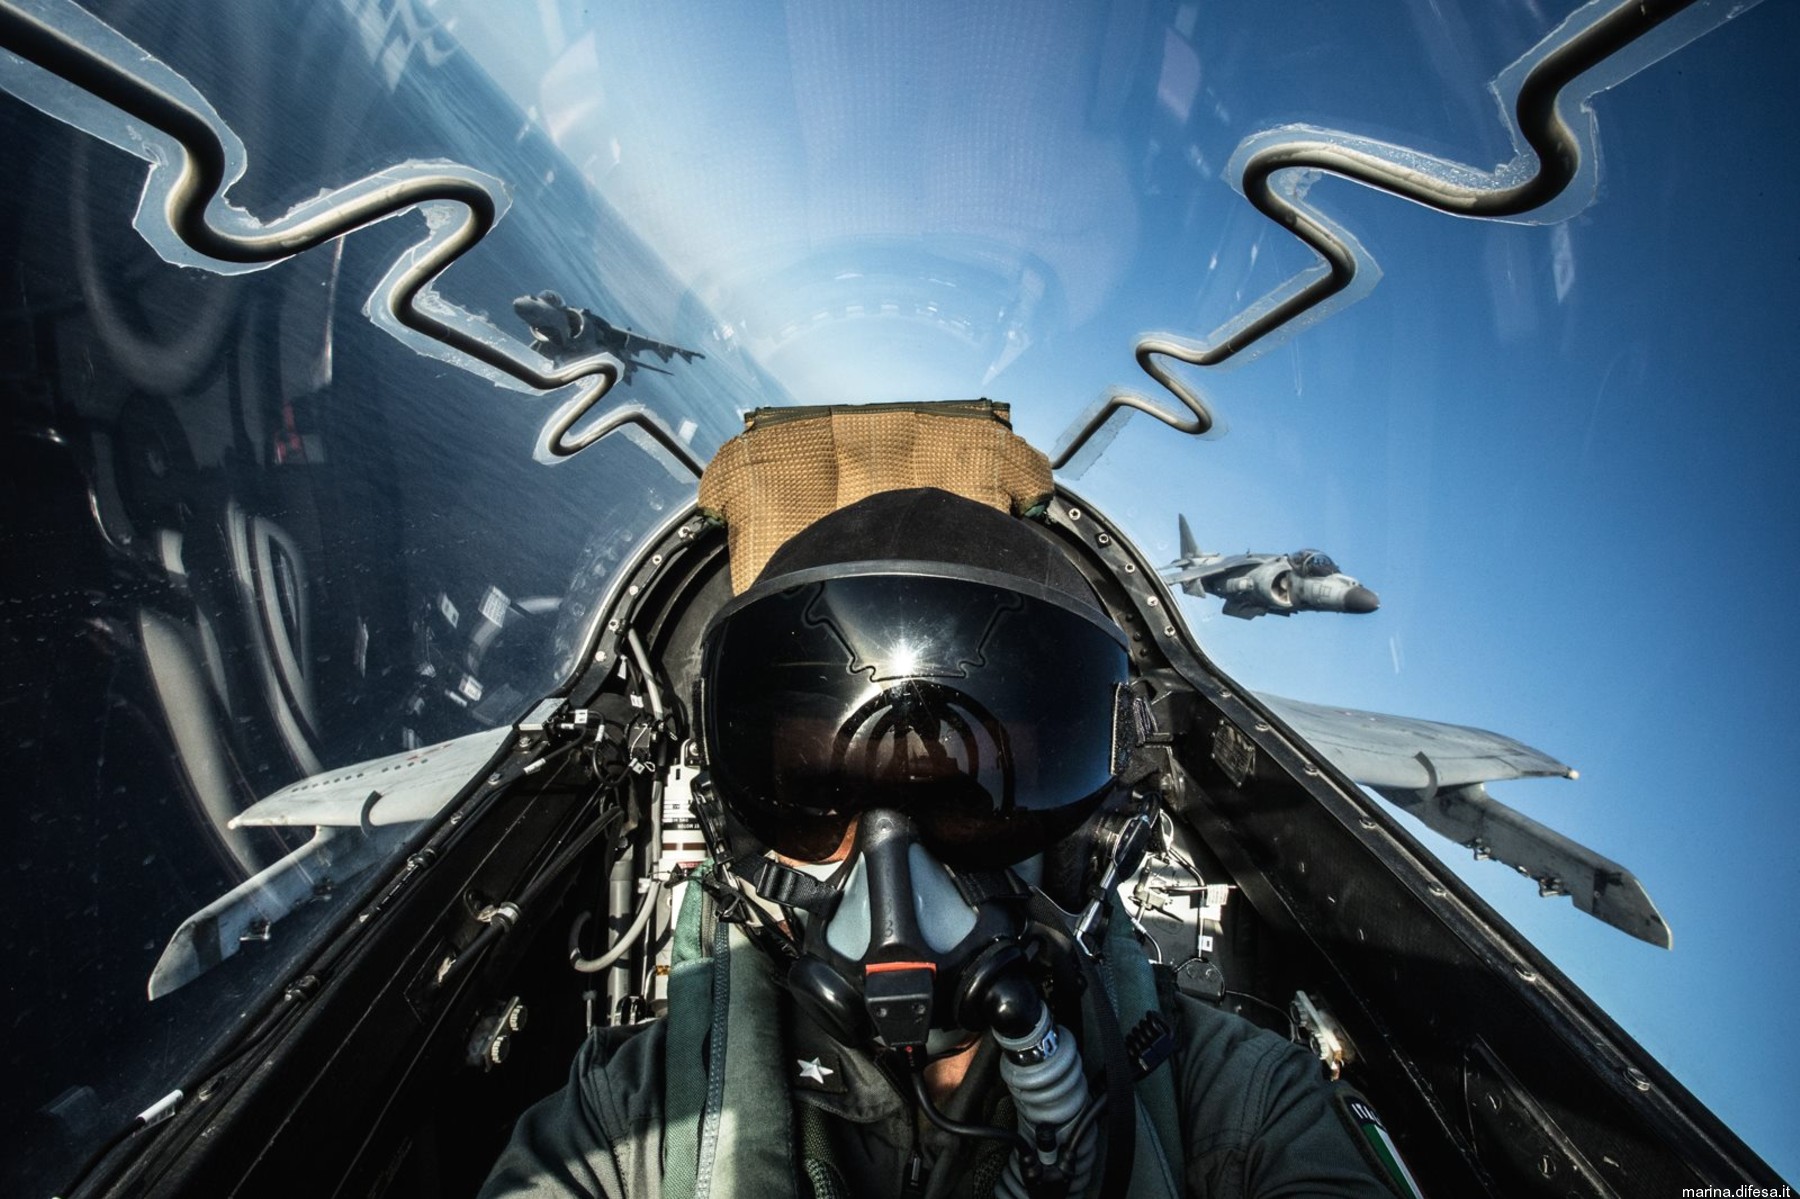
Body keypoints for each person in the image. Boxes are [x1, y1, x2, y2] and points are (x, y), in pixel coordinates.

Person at [480, 488, 1415, 1199]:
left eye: (971, 797)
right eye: (819, 790)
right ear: (740, 835)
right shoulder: (627, 1118)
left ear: (1084, 842)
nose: (894, 874)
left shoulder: (1242, 1109)